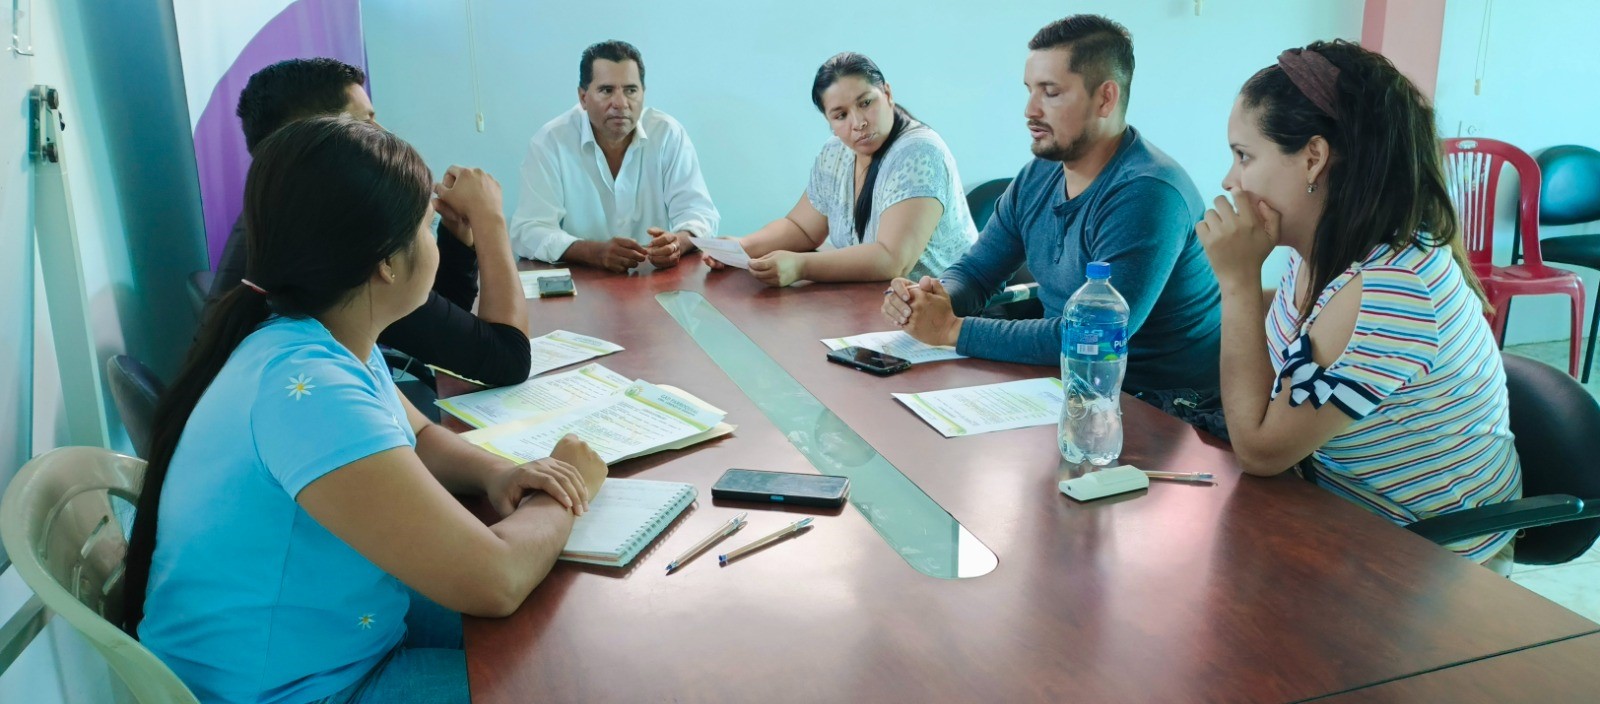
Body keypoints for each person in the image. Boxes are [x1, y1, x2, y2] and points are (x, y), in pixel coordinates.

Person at [124, 117, 608, 703]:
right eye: (427, 227)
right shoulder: (311, 393)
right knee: (567, 677)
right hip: (297, 690)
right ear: (386, 262)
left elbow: (419, 436)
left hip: (328, 639)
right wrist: (565, 491)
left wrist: (500, 474)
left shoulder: (319, 336)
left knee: (564, 628)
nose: (435, 240)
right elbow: (497, 579)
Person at [1195, 40, 1520, 566]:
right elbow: (1300, 324)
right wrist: (1227, 284)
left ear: (1313, 158)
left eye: (1243, 156)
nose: (1229, 180)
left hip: (1430, 557)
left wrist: (1238, 283)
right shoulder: (1332, 244)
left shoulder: (1390, 289)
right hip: (1335, 507)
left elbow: (1260, 451)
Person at [882, 15, 1222, 397]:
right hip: (1066, 385)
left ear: (1105, 98)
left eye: (1051, 92)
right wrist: (936, 297)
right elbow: (977, 271)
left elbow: (1093, 336)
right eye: (1030, 90)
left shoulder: (1148, 194)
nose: (1030, 110)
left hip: (1157, 405)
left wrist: (950, 329)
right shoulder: (1039, 174)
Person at [211, 58, 532, 387]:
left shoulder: (284, 214)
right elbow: (507, 361)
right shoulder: (330, 239)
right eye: (366, 123)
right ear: (315, 138)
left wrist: (457, 238)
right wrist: (490, 219)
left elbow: (433, 325)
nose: (384, 134)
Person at [709, 52, 978, 287]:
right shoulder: (836, 152)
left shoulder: (919, 151)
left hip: (946, 311)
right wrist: (741, 247)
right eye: (841, 115)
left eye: (866, 103)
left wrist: (800, 266)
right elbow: (802, 228)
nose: (858, 123)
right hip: (874, 305)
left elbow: (892, 260)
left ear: (887, 94)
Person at [510, 40, 719, 273]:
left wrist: (676, 243)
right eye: (607, 90)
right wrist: (594, 253)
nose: (620, 104)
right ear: (583, 97)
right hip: (580, 281)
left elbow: (700, 213)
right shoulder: (551, 142)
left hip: (654, 279)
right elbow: (529, 230)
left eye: (631, 90)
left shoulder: (667, 134)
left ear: (643, 93)